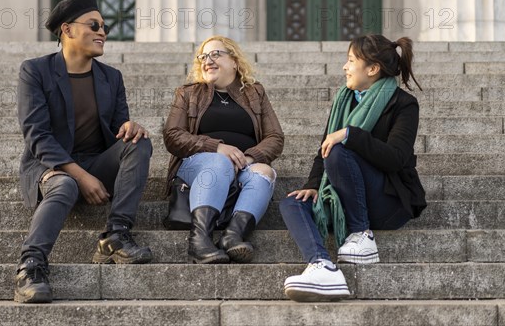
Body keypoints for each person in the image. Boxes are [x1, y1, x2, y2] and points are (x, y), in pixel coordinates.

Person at [14, 0, 153, 304]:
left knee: (139, 142)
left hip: (97, 164)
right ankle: (30, 266)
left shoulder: (111, 78)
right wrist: (82, 178)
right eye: (93, 25)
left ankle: (116, 235)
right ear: (67, 30)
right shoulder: (35, 71)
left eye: (104, 26)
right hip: (48, 168)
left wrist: (130, 128)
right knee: (63, 185)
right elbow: (37, 136)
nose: (102, 32)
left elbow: (119, 131)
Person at [280, 34, 427, 301]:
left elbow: (396, 157)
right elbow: (322, 150)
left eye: (350, 61)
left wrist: (350, 134)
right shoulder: (343, 100)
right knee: (292, 203)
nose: (344, 67)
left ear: (372, 69)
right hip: (344, 196)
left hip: (387, 200)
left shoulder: (403, 104)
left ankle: (362, 234)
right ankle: (322, 265)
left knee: (338, 150)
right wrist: (312, 185)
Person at [163, 36, 284, 264]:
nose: (207, 60)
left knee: (264, 172)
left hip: (241, 166)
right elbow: (172, 136)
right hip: (197, 165)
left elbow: (275, 137)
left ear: (235, 61)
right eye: (203, 56)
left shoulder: (255, 93)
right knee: (219, 162)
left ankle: (232, 236)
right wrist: (216, 147)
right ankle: (199, 241)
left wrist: (250, 157)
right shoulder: (188, 93)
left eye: (216, 54)